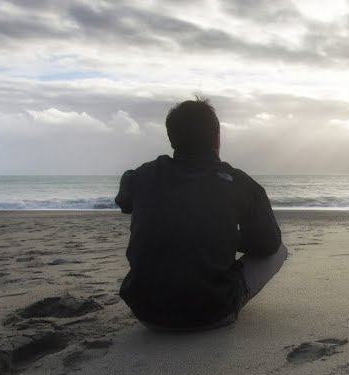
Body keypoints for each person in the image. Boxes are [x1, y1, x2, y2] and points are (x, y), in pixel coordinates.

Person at [114, 97, 287, 331]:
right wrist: (225, 235)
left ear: (171, 137)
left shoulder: (142, 176)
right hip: (213, 313)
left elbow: (124, 201)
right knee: (280, 250)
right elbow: (268, 244)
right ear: (217, 137)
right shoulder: (240, 183)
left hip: (146, 313)